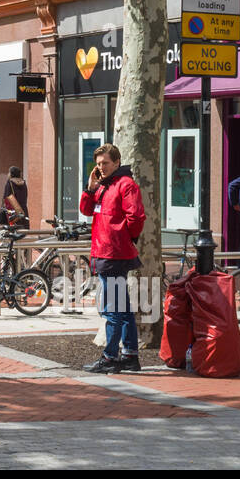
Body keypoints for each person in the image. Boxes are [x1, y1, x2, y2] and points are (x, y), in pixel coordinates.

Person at [78, 143, 146, 374]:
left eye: (105, 163)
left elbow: (136, 217)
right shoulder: (103, 186)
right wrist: (90, 187)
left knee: (113, 308)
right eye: (98, 164)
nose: (101, 167)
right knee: (122, 307)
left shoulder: (126, 185)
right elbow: (87, 210)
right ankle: (129, 355)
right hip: (104, 252)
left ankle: (110, 356)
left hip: (114, 254)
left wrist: (123, 237)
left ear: (117, 162)